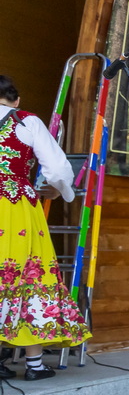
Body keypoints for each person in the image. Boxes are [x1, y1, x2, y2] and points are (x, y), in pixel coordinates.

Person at [0, 75, 91, 379]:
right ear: (16, 100)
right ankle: (34, 365)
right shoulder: (27, 122)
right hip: (16, 209)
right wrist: (58, 190)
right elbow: (57, 168)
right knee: (29, 274)